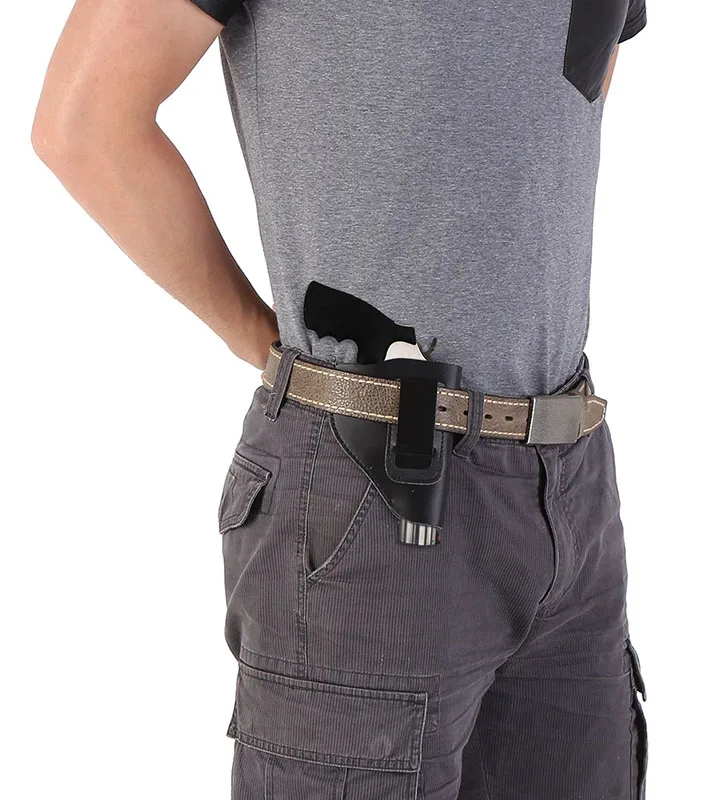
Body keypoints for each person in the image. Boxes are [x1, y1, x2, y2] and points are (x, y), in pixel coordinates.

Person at [32, 0, 649, 797]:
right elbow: (83, 125)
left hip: (570, 480)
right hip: (372, 485)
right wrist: (263, 339)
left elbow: (555, 118)